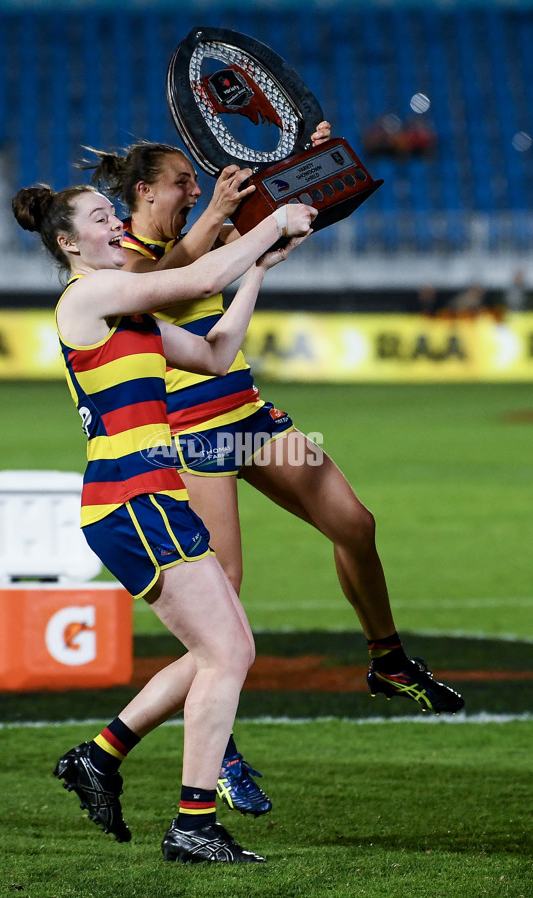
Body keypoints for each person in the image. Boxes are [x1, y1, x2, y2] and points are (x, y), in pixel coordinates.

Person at [82, 128, 465, 802]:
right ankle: (218, 754)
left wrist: (309, 160)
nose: (196, 191)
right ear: (145, 193)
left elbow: (276, 223)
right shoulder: (122, 262)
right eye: (184, 184)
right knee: (221, 605)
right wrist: (218, 220)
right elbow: (169, 279)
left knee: (356, 523)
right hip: (196, 438)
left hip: (250, 416)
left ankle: (389, 661)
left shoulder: (197, 233)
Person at [12, 182, 316, 862]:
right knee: (228, 653)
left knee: (226, 644)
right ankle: (192, 825)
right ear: (69, 244)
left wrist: (257, 273)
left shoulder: (132, 316)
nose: (116, 222)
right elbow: (201, 273)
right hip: (130, 501)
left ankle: (101, 760)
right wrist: (273, 226)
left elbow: (213, 354)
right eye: (100, 217)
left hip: (150, 500)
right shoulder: (85, 297)